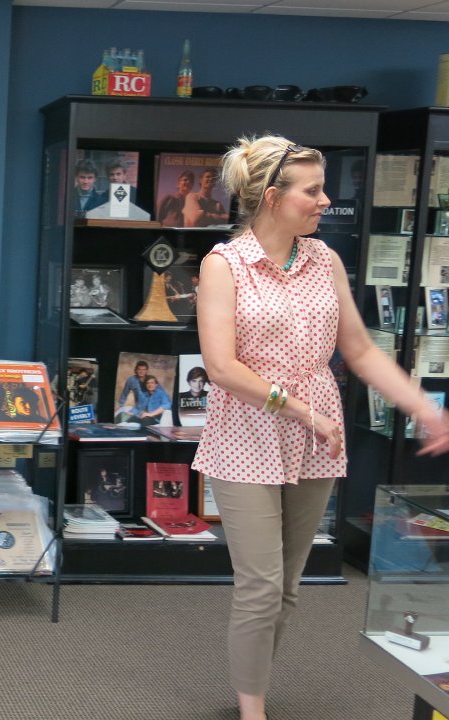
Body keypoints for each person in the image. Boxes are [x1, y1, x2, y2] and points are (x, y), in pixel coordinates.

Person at [193, 135, 449, 720]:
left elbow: (359, 349)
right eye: (312, 191)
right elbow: (222, 367)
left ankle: (254, 686)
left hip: (316, 436)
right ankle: (252, 711)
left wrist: (422, 406)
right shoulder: (223, 265)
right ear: (271, 197)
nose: (325, 201)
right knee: (260, 587)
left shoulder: (324, 260)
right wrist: (300, 409)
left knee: (286, 588)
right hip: (248, 433)